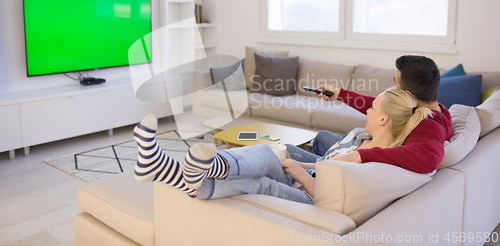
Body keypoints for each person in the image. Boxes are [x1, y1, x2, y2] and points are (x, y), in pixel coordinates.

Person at [133, 86, 433, 204]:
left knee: (262, 183)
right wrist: (297, 164)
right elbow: (323, 165)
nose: (366, 109)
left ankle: (179, 173)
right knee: (267, 152)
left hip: (313, 197)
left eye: (372, 108)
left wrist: (298, 173)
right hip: (304, 178)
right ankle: (184, 169)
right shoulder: (359, 135)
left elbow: (332, 194)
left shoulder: (376, 162)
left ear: (383, 121)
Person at [286, 55, 453, 173]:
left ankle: (315, 174)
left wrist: (357, 156)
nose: (392, 84)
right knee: (323, 136)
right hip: (365, 148)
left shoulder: (430, 127)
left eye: (394, 81)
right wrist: (340, 94)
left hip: (364, 162)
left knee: (287, 150)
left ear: (408, 94)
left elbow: (429, 158)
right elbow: (381, 106)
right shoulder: (437, 110)